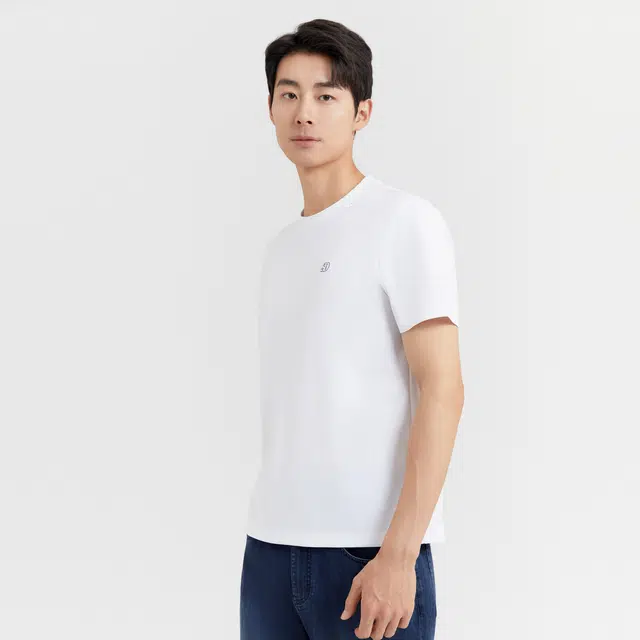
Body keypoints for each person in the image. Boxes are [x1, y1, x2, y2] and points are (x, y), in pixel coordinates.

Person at [240, 18, 464, 640]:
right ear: (270, 108)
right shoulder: (281, 249)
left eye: (326, 95)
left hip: (367, 553)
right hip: (269, 547)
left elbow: (443, 388)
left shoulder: (404, 221)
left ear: (362, 112)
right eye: (289, 94)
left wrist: (399, 553)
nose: (304, 112)